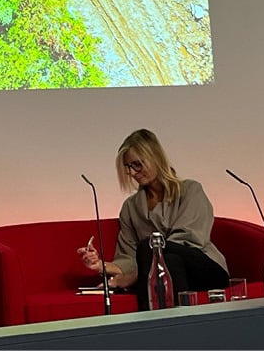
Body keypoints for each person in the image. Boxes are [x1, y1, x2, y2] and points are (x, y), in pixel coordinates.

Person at [77, 128, 229, 310]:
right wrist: (101, 265)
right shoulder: (130, 207)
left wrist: (133, 277)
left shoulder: (190, 190)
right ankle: (170, 331)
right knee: (168, 262)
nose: (132, 173)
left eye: (137, 165)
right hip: (164, 273)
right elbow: (129, 256)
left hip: (204, 269)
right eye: (128, 168)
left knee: (151, 245)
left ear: (155, 157)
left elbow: (189, 241)